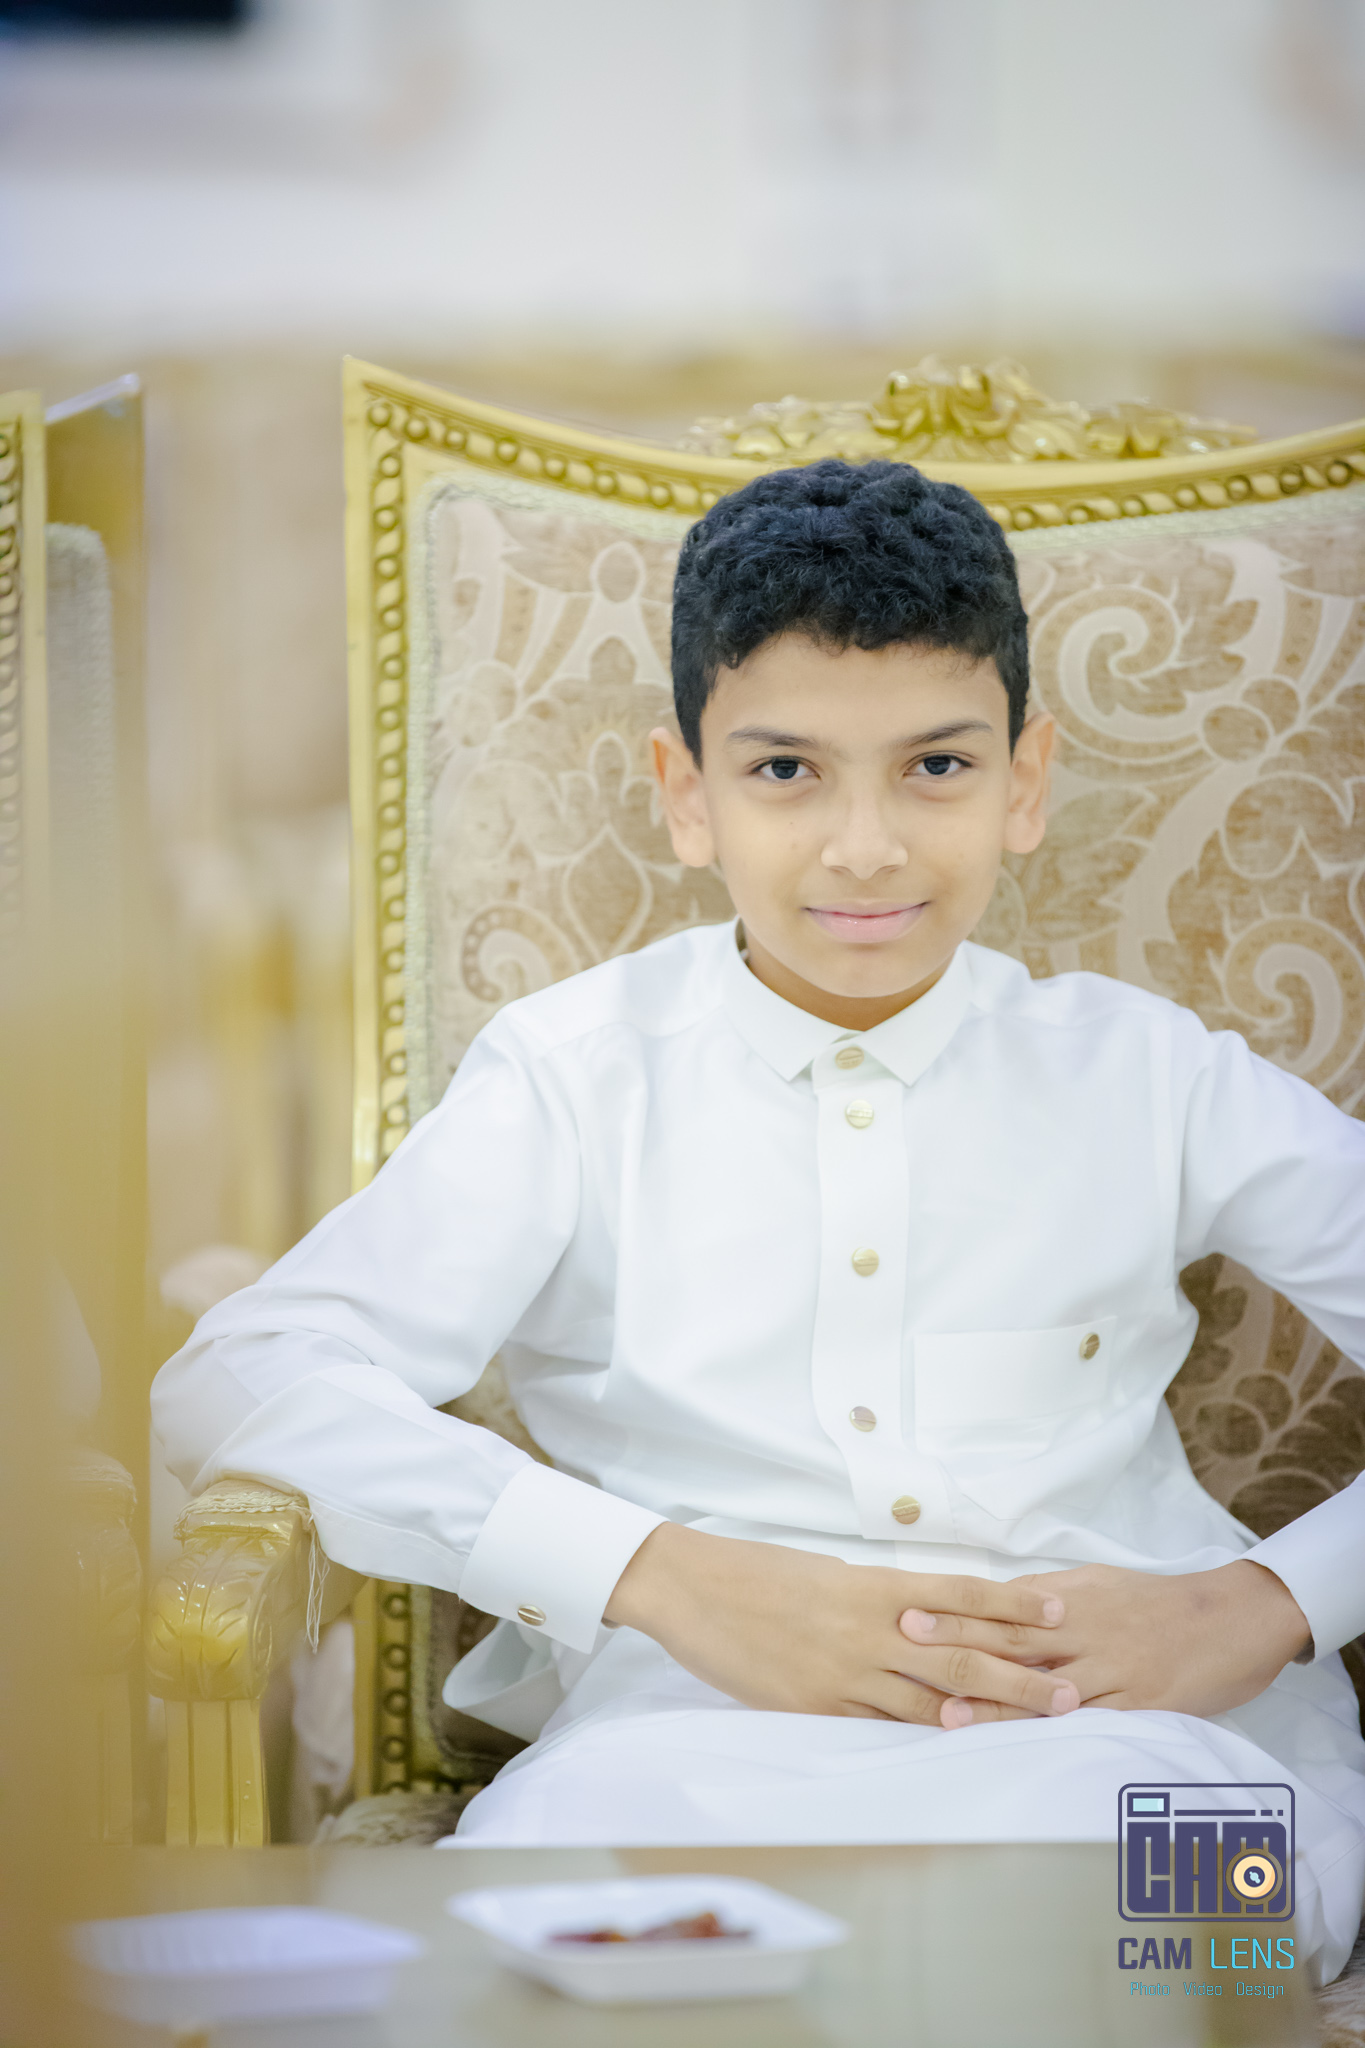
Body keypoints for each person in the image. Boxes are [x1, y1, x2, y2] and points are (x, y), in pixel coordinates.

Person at [152, 461, 1365, 1980]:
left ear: (1025, 780)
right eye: (786, 770)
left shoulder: (1153, 1075)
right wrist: (661, 1575)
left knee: (1164, 1966)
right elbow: (239, 1375)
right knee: (553, 1976)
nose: (865, 846)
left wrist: (1266, 1604)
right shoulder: (570, 1078)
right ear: (687, 795)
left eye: (935, 766)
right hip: (678, 1747)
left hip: (1145, 1742)